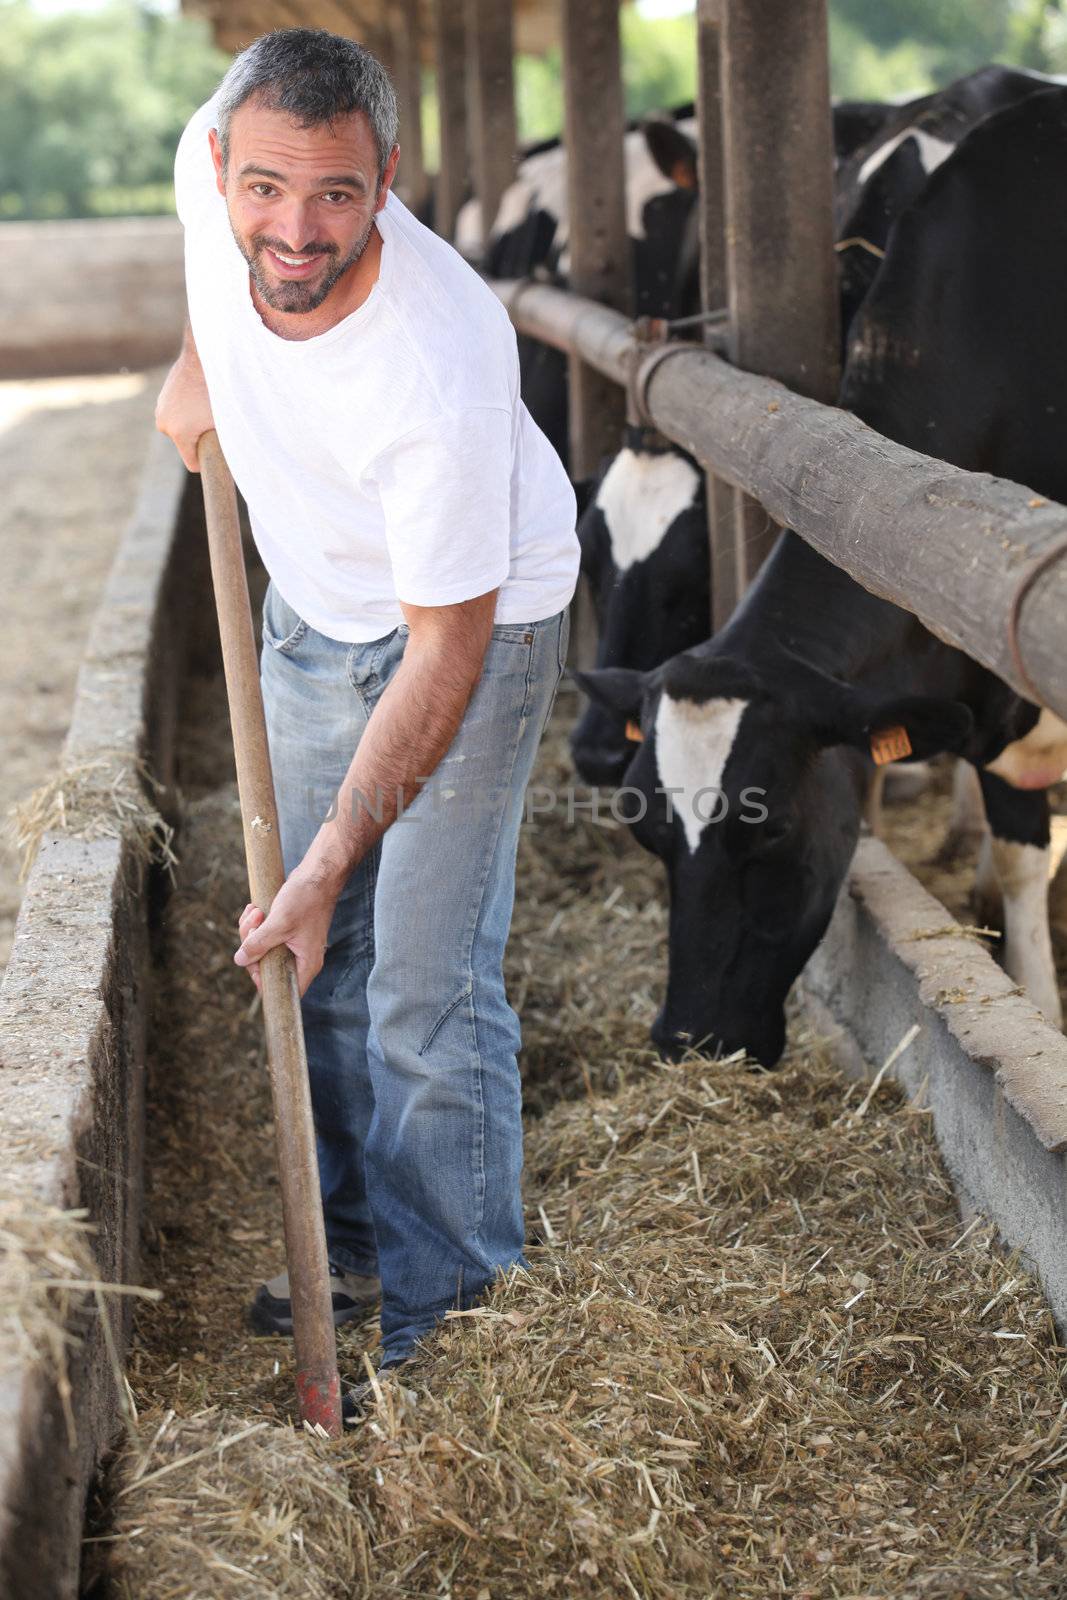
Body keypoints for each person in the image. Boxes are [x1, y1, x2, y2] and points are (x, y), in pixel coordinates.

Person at [156, 27, 579, 1400]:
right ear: (218, 165)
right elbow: (224, 278)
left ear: (388, 178)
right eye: (266, 187)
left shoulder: (442, 360)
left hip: (472, 621)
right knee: (308, 964)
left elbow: (445, 652)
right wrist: (202, 357)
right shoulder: (204, 166)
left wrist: (335, 858)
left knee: (420, 985)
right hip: (310, 594)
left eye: (338, 194)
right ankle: (344, 1245)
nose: (297, 228)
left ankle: (453, 1324)